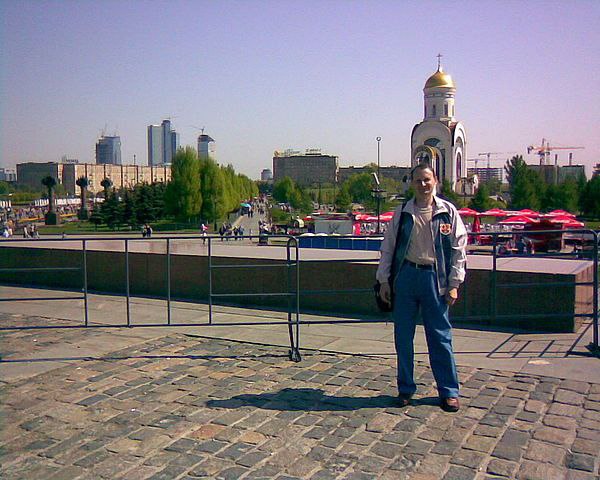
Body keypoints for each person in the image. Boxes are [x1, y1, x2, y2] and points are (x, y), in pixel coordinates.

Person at [376, 163, 467, 412]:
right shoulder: (403, 212)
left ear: (435, 180)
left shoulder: (447, 212)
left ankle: (449, 391)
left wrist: (454, 283)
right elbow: (388, 247)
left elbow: (458, 249)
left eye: (427, 179)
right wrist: (384, 280)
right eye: (418, 180)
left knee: (440, 336)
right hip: (406, 276)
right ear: (412, 183)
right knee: (403, 337)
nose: (423, 184)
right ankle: (405, 388)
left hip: (435, 279)